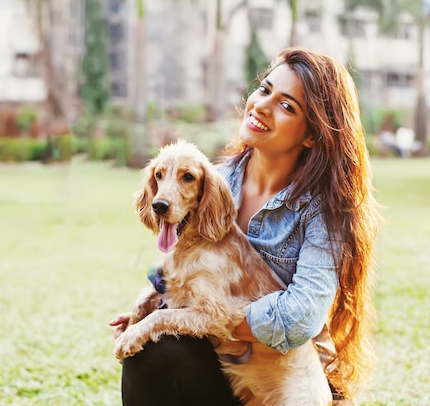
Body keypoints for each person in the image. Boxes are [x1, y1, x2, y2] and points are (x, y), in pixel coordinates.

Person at [109, 47, 381, 406]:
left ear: (312, 135)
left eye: (287, 106)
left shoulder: (323, 213)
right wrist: (160, 306)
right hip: (226, 367)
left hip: (285, 384)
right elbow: (183, 269)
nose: (262, 106)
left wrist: (197, 315)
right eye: (265, 89)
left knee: (159, 335)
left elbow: (300, 318)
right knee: (150, 353)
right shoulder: (210, 181)